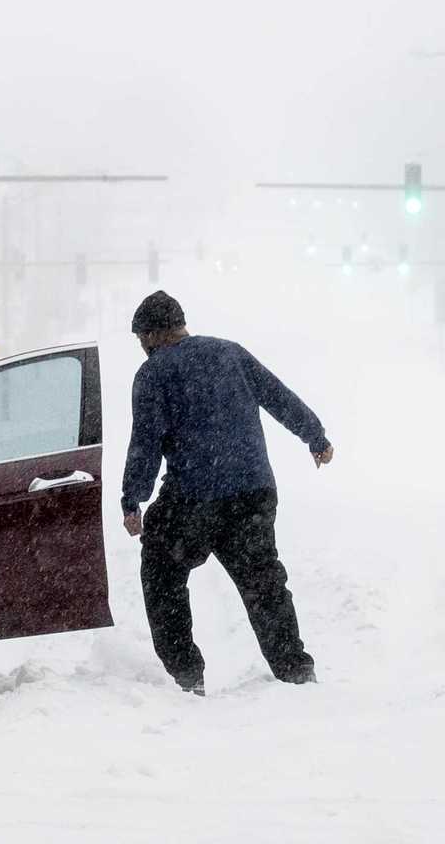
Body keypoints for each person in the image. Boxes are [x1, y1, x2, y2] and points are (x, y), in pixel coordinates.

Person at [121, 291, 333, 695]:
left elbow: (145, 443)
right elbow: (277, 396)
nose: (143, 350)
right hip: (252, 492)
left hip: (192, 499)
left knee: (162, 574)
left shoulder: (152, 374)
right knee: (264, 583)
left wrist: (134, 499)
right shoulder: (229, 353)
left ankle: (186, 676)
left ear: (151, 335)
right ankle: (296, 671)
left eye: (142, 341)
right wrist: (314, 436)